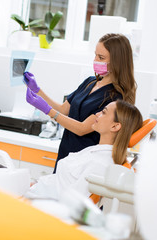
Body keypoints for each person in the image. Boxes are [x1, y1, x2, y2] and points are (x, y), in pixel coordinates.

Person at [0, 100, 143, 199]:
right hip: (30, 187)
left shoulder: (100, 164)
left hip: (30, 197)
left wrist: (27, 197)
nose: (97, 114)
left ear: (116, 126)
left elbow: (69, 203)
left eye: (104, 112)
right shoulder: (95, 151)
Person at [24, 33, 136, 172]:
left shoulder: (115, 98)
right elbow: (64, 109)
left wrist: (47, 110)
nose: (95, 60)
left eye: (101, 58)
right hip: (66, 151)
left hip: (84, 158)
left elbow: (82, 129)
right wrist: (37, 90)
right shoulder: (89, 82)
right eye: (95, 55)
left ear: (117, 62)